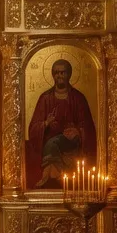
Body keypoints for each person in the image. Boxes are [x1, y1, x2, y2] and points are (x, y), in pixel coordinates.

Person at [25, 59, 97, 189]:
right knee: (52, 143)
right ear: (53, 75)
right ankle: (54, 175)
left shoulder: (78, 98)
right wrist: (45, 123)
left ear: (69, 74)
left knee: (53, 143)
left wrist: (78, 131)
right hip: (50, 143)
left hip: (72, 142)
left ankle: (57, 176)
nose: (60, 75)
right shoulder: (45, 98)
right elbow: (33, 128)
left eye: (63, 72)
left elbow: (88, 126)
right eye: (57, 73)